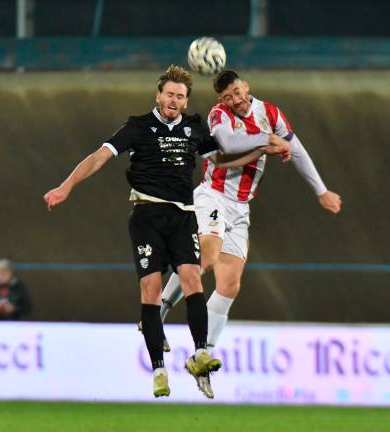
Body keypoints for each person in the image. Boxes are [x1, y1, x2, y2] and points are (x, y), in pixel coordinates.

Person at [43, 65, 288, 398]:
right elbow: (100, 156)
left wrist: (260, 151)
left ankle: (201, 350)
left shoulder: (193, 127)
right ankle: (158, 367)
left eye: (180, 96)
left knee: (193, 276)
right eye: (170, 94)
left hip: (184, 215)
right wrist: (66, 185)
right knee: (152, 287)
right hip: (147, 214)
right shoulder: (138, 127)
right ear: (159, 96)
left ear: (186, 102)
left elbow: (219, 163)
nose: (174, 100)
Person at [158, 70, 342, 396]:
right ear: (221, 100)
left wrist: (321, 191)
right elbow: (228, 144)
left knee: (231, 283)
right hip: (212, 195)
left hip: (240, 208)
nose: (235, 100)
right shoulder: (219, 117)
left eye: (237, 93)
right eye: (228, 97)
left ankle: (203, 355)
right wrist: (268, 140)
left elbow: (296, 149)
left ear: (246, 87)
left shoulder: (270, 113)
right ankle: (156, 313)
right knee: (209, 256)